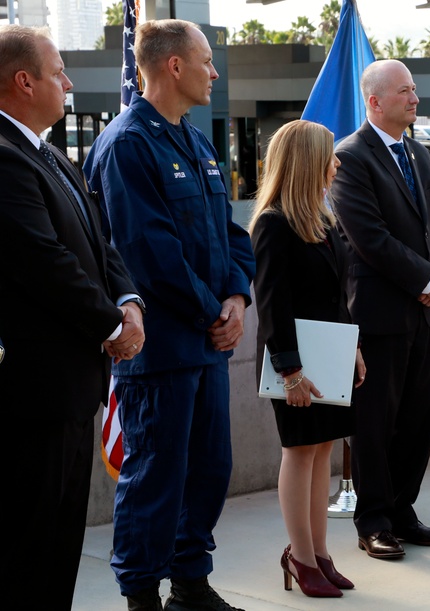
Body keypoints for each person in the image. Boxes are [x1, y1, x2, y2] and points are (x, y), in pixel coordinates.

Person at [84, 19, 255, 610]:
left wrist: (236, 298)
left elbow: (232, 232)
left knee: (209, 471)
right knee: (155, 479)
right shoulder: (128, 143)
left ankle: (190, 585)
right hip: (159, 352)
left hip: (207, 344)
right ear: (174, 66)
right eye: (207, 61)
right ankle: (141, 597)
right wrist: (215, 311)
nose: (215, 72)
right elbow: (148, 253)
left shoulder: (197, 141)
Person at [0, 25, 144, 610]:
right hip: (31, 395)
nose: (69, 83)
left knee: (60, 546)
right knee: (27, 549)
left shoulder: (49, 153)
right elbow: (43, 261)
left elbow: (99, 243)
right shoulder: (5, 159)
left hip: (72, 389)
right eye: (59, 71)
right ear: (24, 80)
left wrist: (129, 302)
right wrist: (112, 327)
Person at [329, 59, 430, 560]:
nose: (415, 99)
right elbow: (368, 238)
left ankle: (404, 511)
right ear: (375, 101)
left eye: (415, 90)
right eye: (405, 91)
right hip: (378, 316)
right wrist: (425, 280)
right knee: (375, 425)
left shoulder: (420, 155)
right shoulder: (349, 157)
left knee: (418, 419)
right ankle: (374, 520)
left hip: (423, 312)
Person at [250, 120, 364, 597]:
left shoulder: (321, 217)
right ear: (306, 161)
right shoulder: (274, 224)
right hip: (295, 361)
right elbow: (272, 302)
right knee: (299, 454)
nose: (337, 163)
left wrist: (353, 348)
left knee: (322, 455)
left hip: (330, 353)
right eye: (329, 155)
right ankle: (300, 558)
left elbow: (338, 295)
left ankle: (319, 554)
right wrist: (290, 372)